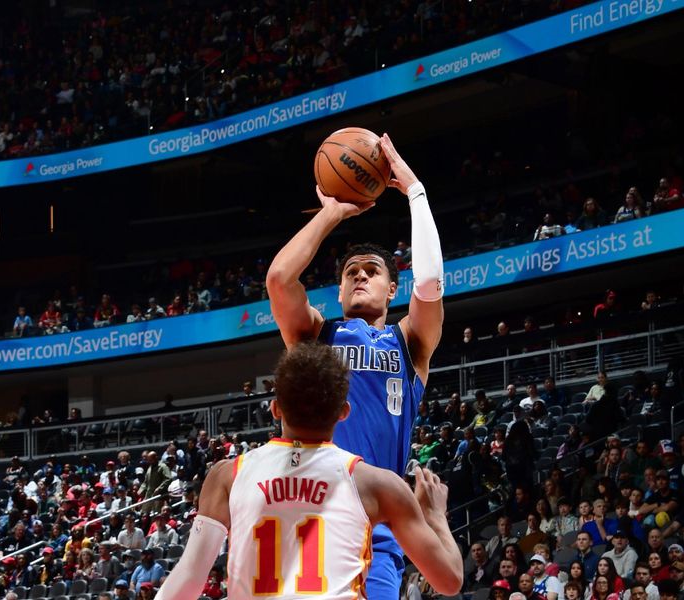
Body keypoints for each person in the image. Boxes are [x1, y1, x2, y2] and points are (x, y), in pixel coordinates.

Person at [265, 134, 445, 598]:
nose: (360, 275)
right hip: (307, 517)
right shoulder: (317, 335)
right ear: (340, 293)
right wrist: (330, 213)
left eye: (372, 270)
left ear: (391, 290)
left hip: (376, 528)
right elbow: (280, 280)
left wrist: (416, 192)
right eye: (350, 273)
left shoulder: (410, 343)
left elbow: (429, 283)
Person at [155, 342, 463, 599]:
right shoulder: (377, 484)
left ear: (275, 408)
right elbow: (449, 580)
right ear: (344, 412)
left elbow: (188, 582)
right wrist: (435, 516)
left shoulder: (228, 475)